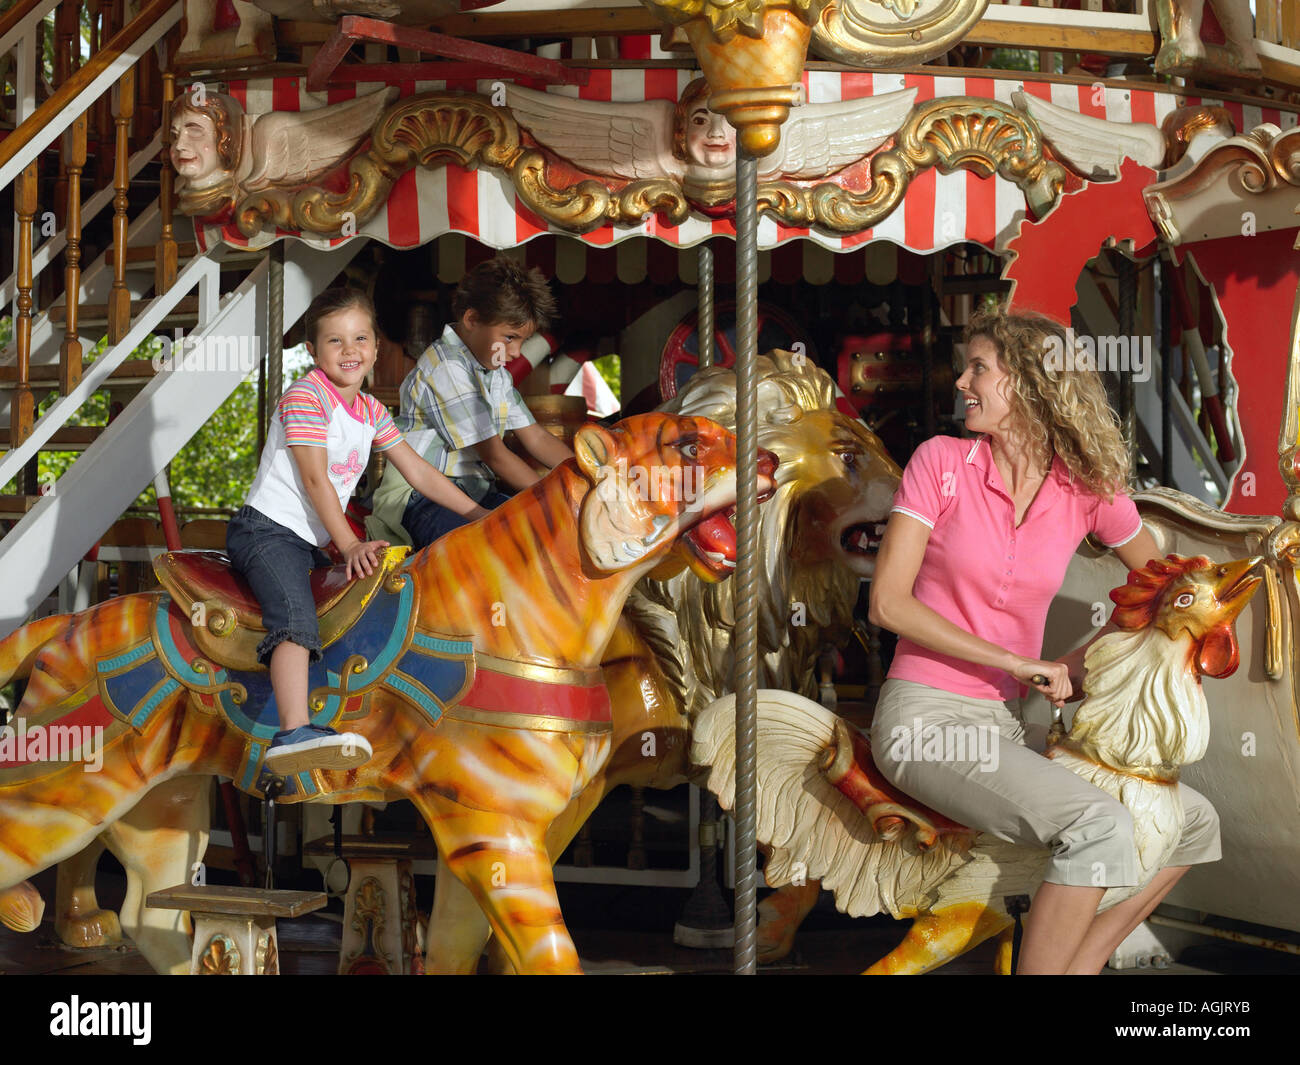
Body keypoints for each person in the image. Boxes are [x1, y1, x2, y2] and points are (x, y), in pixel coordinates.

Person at [868, 307, 1221, 975]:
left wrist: (1074, 663)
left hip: (1007, 726)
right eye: (965, 366)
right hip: (925, 717)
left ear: (1031, 382)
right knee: (1100, 822)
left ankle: (1075, 967)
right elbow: (888, 602)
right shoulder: (940, 462)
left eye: (980, 369)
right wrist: (1017, 661)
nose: (962, 382)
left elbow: (1160, 591)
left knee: (1195, 821)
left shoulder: (1085, 486)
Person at [227, 287, 489, 776]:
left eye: (360, 338)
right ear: (313, 351)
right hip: (266, 532)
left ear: (375, 346)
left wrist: (477, 514)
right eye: (335, 341)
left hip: (308, 540)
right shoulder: (305, 397)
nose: (350, 351)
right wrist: (347, 543)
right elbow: (313, 478)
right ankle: (292, 731)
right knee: (294, 614)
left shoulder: (369, 410)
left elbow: (420, 473)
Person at [368, 257, 574, 549]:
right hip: (420, 498)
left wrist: (582, 472)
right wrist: (556, 495)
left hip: (475, 492)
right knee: (491, 550)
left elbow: (537, 437)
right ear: (472, 320)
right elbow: (495, 455)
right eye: (509, 337)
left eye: (522, 341)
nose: (515, 352)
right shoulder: (447, 368)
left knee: (544, 535)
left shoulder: (495, 373)